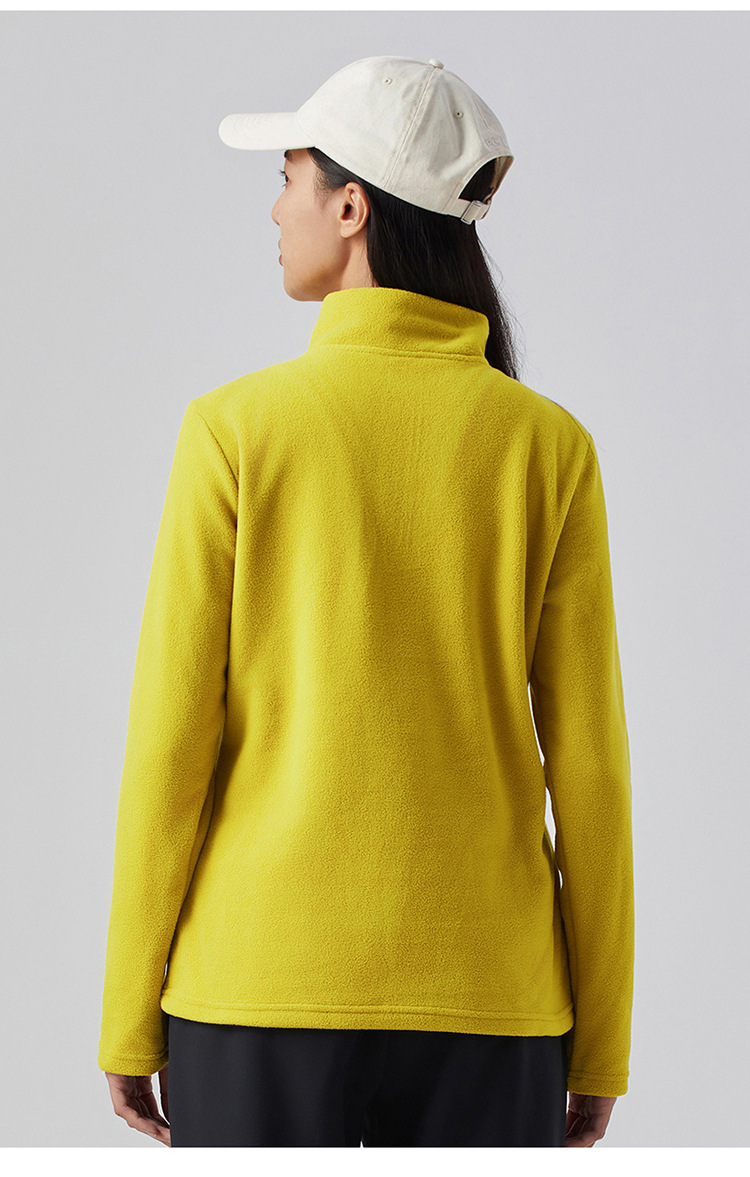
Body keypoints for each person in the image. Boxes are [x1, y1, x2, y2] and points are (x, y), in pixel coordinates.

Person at [98, 55, 634, 1148]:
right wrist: (602, 1039)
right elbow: (591, 772)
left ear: (351, 208)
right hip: (493, 1004)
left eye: (289, 177)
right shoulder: (549, 448)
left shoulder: (235, 431)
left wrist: (127, 1015)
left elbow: (169, 746)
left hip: (256, 993)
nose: (275, 208)